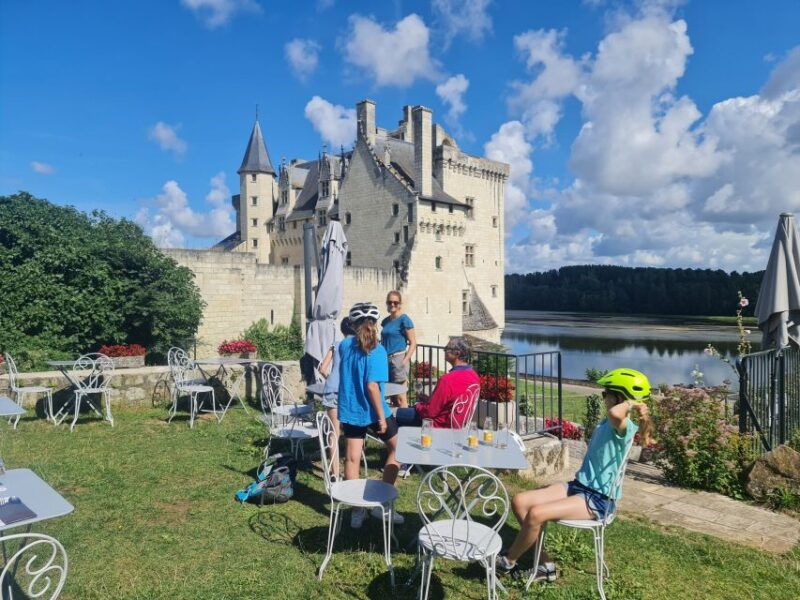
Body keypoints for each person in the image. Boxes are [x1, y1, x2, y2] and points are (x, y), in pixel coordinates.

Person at [495, 368, 653, 582]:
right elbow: (613, 414)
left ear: (618, 397)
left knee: (536, 514)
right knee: (521, 501)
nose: (603, 398)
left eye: (606, 394)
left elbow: (616, 413)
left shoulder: (624, 427)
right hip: (579, 486)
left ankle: (507, 561)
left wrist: (633, 402)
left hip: (598, 499)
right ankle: (545, 564)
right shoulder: (608, 423)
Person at [337, 302, 404, 529]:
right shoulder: (378, 350)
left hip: (351, 409)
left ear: (353, 325)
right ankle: (380, 504)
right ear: (375, 324)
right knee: (398, 449)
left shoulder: (344, 345)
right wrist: (381, 419)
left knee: (352, 458)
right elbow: (373, 387)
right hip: (375, 412)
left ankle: (357, 511)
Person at [395, 337, 479, 428]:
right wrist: (428, 401)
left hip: (437, 425)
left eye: (447, 348)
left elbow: (429, 412)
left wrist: (418, 405)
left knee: (394, 414)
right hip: (457, 426)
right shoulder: (474, 376)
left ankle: (396, 441)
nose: (444, 350)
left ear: (457, 353)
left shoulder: (447, 380)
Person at [317, 317, 355, 481]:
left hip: (332, 389)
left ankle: (334, 472)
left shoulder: (337, 344)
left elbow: (322, 368)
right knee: (353, 433)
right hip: (349, 392)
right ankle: (352, 468)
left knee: (334, 432)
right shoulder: (357, 346)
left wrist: (332, 377)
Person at [380, 290, 416, 408]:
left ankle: (405, 424)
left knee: (401, 398)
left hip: (398, 359)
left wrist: (404, 361)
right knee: (392, 396)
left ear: (400, 304)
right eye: (390, 302)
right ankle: (395, 425)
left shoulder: (404, 319)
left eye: (395, 302)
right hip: (386, 361)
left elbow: (413, 343)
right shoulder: (385, 321)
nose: (392, 305)